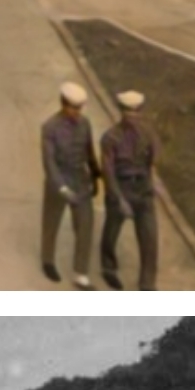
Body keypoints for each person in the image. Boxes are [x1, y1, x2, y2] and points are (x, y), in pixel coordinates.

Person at [41, 81, 101, 287]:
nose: (77, 112)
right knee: (51, 221)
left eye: (79, 108)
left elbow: (89, 151)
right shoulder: (50, 128)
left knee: (85, 224)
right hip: (59, 180)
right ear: (64, 105)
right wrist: (61, 187)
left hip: (80, 178)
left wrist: (94, 175)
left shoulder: (85, 124)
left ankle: (81, 271)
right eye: (73, 107)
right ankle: (47, 259)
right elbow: (49, 162)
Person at [99, 89, 160, 291]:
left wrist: (152, 186)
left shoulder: (149, 134)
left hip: (142, 188)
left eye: (135, 111)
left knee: (150, 237)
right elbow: (108, 171)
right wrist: (119, 199)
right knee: (112, 230)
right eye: (127, 111)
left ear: (141, 112)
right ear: (120, 111)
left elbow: (153, 161)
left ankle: (147, 283)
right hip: (120, 186)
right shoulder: (110, 138)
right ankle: (108, 267)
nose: (132, 116)